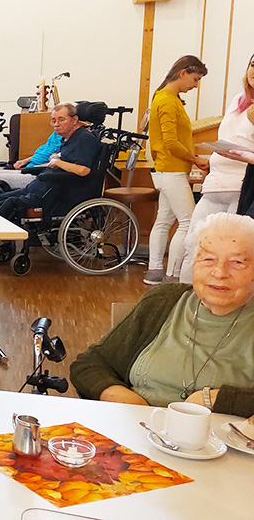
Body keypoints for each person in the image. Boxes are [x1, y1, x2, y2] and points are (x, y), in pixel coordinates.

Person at [70, 212, 254, 417]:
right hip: (139, 432)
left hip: (223, 443)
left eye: (237, 262)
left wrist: (216, 399)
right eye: (208, 259)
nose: (219, 272)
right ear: (192, 263)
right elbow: (89, 365)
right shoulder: (164, 300)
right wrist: (127, 402)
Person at [183, 53, 254, 281]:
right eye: (252, 64)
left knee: (228, 253)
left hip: (241, 186)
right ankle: (182, 300)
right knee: (193, 243)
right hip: (215, 183)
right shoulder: (238, 100)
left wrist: (242, 155)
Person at [145, 55, 211, 285]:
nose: (195, 85)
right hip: (171, 170)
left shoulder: (166, 98)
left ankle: (154, 271)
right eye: (195, 79)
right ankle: (173, 274)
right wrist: (195, 159)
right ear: (182, 73)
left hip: (166, 170)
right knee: (188, 221)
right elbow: (171, 143)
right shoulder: (167, 100)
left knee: (163, 220)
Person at [0, 103, 102, 223]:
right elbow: (57, 162)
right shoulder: (67, 139)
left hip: (57, 191)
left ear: (74, 120)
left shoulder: (84, 138)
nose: (56, 124)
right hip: (40, 185)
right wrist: (37, 166)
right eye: (53, 120)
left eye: (61, 120)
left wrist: (58, 162)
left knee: (9, 203)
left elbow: (83, 170)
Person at [0, 131, 61, 209]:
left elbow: (56, 162)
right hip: (28, 168)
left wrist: (33, 168)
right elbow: (42, 154)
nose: (56, 124)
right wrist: (24, 161)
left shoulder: (66, 143)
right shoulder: (55, 135)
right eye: (54, 120)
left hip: (37, 174)